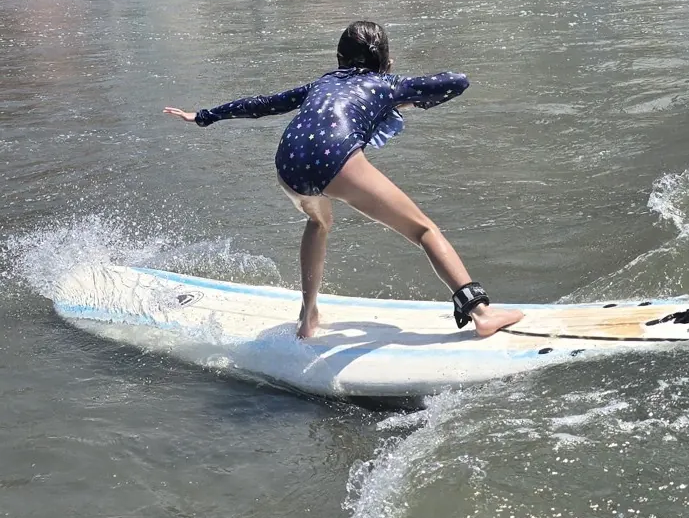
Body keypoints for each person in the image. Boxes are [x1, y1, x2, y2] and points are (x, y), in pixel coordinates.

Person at [165, 20, 523, 345]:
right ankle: (480, 312)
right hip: (334, 157)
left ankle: (308, 316)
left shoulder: (321, 83)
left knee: (319, 221)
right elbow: (457, 81)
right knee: (424, 231)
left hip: (287, 163)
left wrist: (203, 116)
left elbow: (263, 104)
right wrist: (405, 94)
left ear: (339, 57)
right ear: (386, 60)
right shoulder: (386, 84)